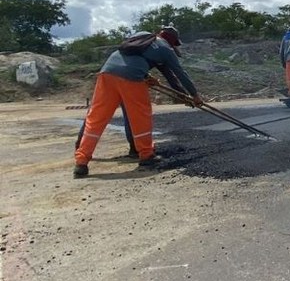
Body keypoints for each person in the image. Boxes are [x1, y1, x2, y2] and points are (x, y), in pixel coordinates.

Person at [73, 26, 203, 178]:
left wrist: (147, 77)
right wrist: (194, 95)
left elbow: (129, 58)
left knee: (96, 118)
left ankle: (81, 161)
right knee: (140, 116)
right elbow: (180, 74)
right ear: (173, 41)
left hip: (107, 73)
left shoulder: (142, 35)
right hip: (131, 78)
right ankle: (146, 155)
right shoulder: (167, 50)